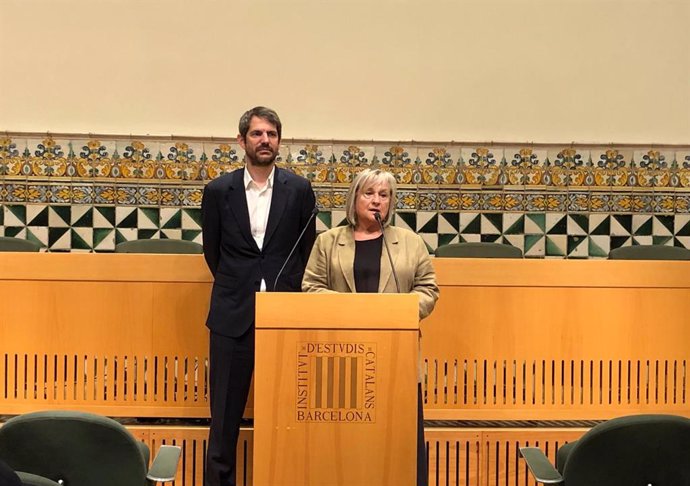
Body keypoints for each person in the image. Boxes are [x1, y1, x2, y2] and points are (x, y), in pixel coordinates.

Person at [302, 168, 439, 486]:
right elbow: (310, 287)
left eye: (384, 195)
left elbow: (428, 290)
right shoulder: (328, 241)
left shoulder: (409, 243)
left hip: (395, 355)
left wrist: (394, 311)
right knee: (344, 440)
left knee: (397, 436)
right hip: (340, 355)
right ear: (354, 198)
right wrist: (352, 309)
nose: (376, 201)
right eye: (369, 193)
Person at [202, 106, 316, 486]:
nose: (264, 140)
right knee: (224, 421)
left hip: (285, 316)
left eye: (271, 134)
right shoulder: (219, 191)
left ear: (279, 140)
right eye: (257, 134)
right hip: (232, 317)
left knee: (288, 417)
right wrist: (242, 283)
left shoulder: (299, 190)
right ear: (241, 141)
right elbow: (213, 253)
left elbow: (306, 249)